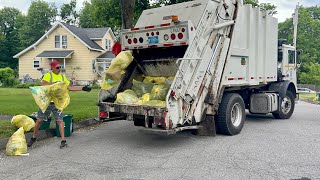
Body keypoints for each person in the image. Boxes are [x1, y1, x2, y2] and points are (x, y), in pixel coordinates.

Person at [28, 60, 92, 149]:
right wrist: (54, 84)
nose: (59, 69)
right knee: (39, 120)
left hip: (57, 103)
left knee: (60, 120)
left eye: (60, 67)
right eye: (57, 67)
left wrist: (83, 88)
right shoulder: (48, 75)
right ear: (52, 68)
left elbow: (69, 88)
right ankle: (33, 137)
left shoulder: (62, 77)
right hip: (47, 102)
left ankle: (63, 141)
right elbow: (43, 84)